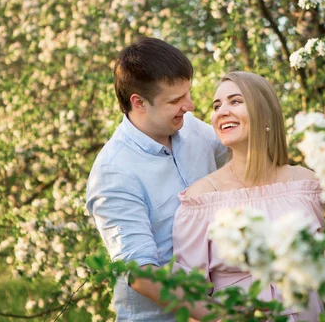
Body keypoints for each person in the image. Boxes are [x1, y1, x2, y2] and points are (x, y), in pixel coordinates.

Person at [173, 71, 325, 321]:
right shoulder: (200, 199)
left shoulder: (305, 184)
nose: (222, 111)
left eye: (235, 101)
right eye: (217, 105)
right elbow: (190, 296)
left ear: (265, 114)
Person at [86, 37, 228, 321]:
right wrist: (224, 318)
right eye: (175, 100)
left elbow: (242, 172)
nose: (189, 106)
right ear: (139, 103)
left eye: (188, 93)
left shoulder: (195, 130)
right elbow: (141, 274)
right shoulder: (114, 172)